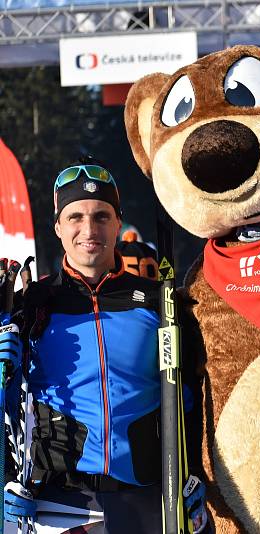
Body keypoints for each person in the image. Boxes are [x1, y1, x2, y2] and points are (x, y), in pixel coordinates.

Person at [1, 159, 207, 533]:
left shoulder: (158, 301)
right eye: (75, 217)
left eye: (101, 216)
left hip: (149, 495)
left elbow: (192, 399)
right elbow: (8, 400)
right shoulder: (31, 305)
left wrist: (198, 472)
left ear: (117, 222)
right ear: (58, 226)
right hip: (57, 500)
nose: (89, 229)